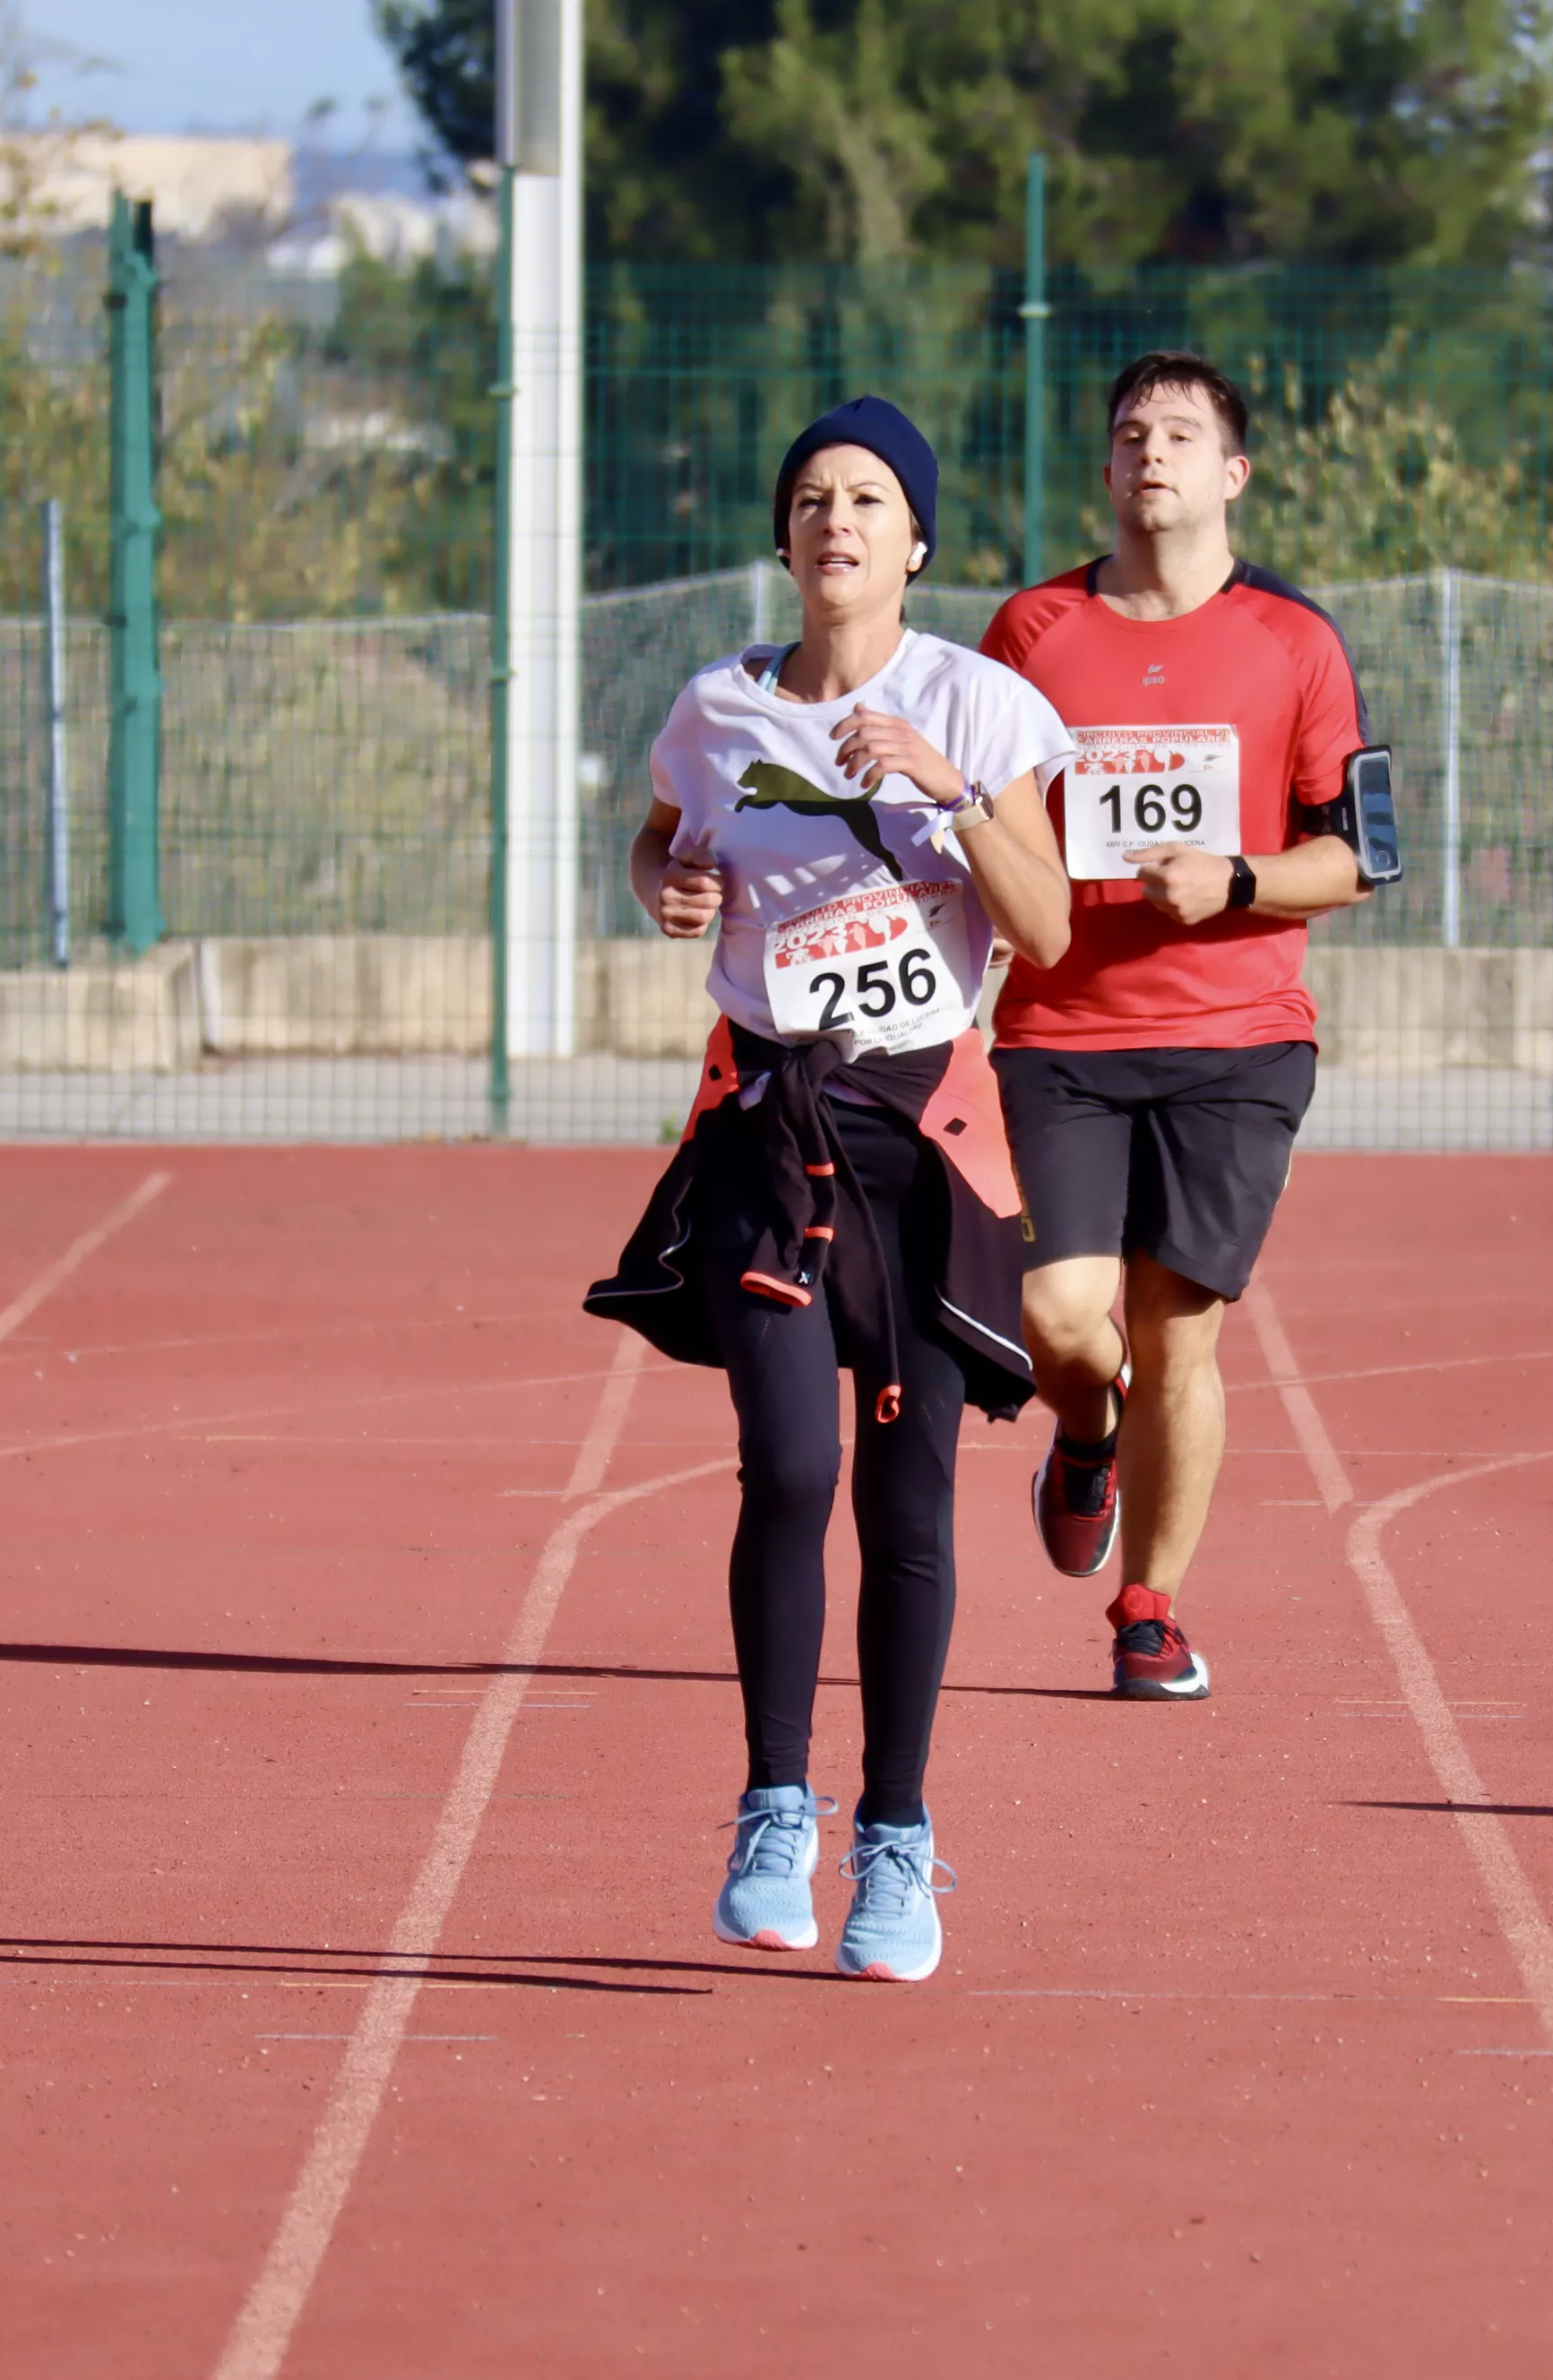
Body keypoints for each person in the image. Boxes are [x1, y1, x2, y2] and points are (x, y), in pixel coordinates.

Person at [586, 396, 1075, 1982]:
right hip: (764, 1117)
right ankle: (774, 1806)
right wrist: (669, 886)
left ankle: (901, 1843)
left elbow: (1049, 931)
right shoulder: (719, 708)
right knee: (789, 1466)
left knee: (907, 1493)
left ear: (916, 540)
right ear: (785, 538)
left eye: (869, 498)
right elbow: (658, 840)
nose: (838, 520)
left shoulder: (985, 709)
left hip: (919, 1137)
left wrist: (949, 784)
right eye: (812, 497)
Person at [980, 352, 1387, 1700]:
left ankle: (1150, 1609)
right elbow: (981, 825)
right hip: (1063, 1035)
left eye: (1181, 434)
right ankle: (1083, 1436)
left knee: (1181, 1334)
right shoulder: (1031, 635)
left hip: (1241, 1037)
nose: (1151, 451)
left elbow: (1364, 857)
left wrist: (1237, 879)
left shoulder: (1297, 642)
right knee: (1062, 1318)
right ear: (1105, 470)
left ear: (1233, 473)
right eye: (1130, 433)